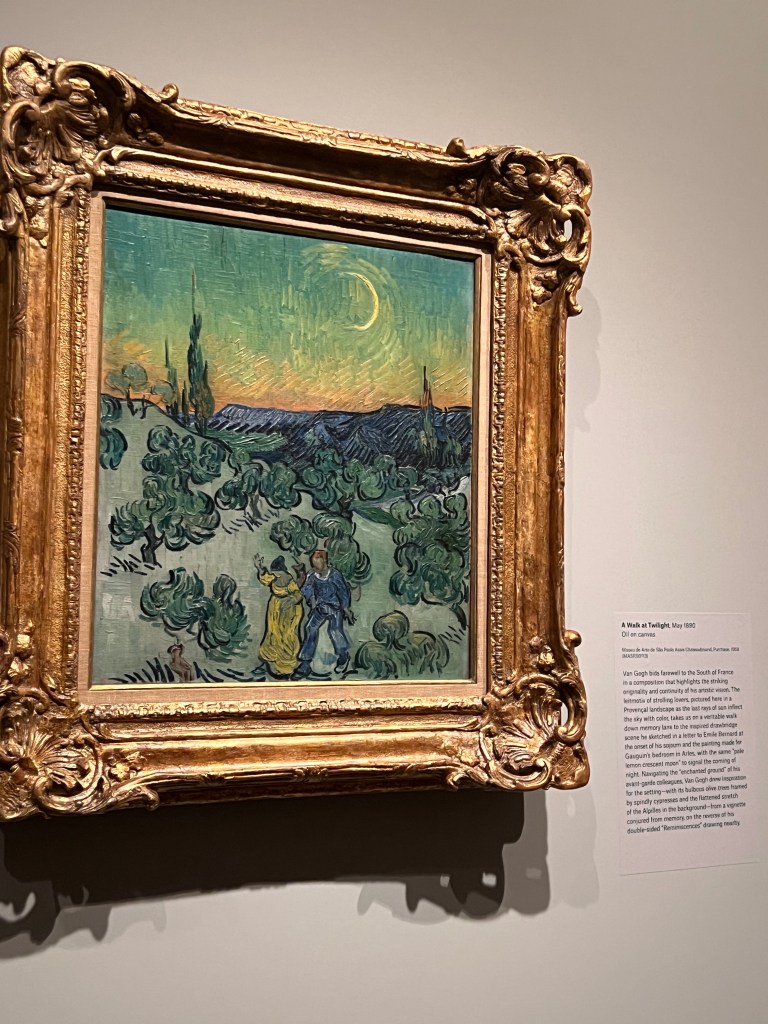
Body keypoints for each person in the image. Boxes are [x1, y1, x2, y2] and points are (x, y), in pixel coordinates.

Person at [295, 549, 354, 677]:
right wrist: (312, 601)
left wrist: (346, 609)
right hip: (320, 608)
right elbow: (307, 589)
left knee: (335, 631)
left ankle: (343, 657)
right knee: (310, 628)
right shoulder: (312, 575)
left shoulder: (334, 575)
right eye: (314, 566)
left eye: (318, 567)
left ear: (325, 562)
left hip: (335, 608)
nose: (315, 569)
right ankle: (305, 662)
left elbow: (343, 592)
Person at [255, 555, 304, 677]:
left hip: (288, 611)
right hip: (275, 608)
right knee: (272, 633)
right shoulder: (274, 576)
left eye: (276, 573)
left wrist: (291, 600)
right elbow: (265, 579)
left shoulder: (289, 580)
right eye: (273, 573)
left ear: (282, 571)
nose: (274, 574)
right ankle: (268, 656)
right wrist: (259, 567)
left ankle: (285, 667)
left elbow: (298, 594)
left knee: (286, 636)